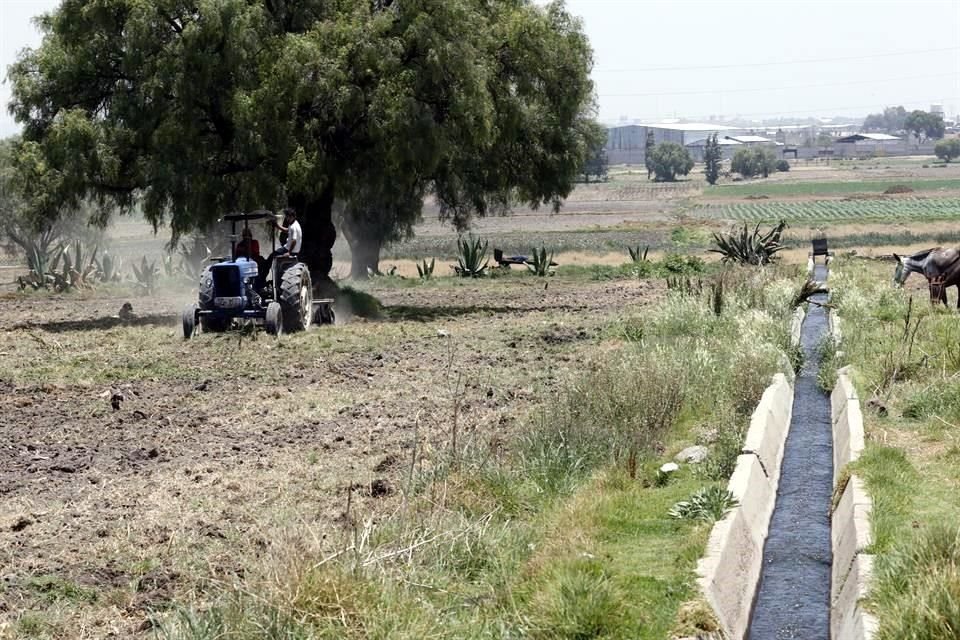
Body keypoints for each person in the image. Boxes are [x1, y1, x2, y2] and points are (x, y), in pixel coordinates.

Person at [259, 207, 303, 288]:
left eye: (288, 216)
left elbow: (294, 240)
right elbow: (287, 231)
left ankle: (261, 279)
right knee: (272, 256)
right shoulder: (294, 224)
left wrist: (289, 252)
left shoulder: (294, 226)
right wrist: (277, 226)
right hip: (289, 248)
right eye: (286, 216)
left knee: (271, 257)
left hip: (289, 249)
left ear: (293, 216)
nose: (287, 218)